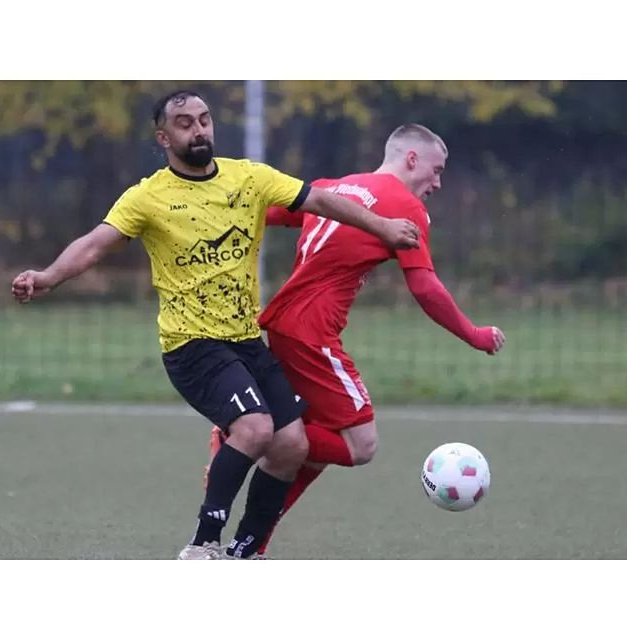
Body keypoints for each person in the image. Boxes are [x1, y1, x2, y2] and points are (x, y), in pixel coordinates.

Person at [10, 91, 421, 560]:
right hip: (192, 346)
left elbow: (321, 200)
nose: (199, 129)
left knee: (292, 444)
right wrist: (47, 277)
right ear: (164, 138)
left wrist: (382, 227)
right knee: (256, 428)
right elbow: (94, 244)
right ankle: (201, 544)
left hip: (244, 340)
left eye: (204, 119)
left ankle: (245, 552)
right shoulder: (148, 197)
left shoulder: (249, 178)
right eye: (185, 123)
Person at [204, 123, 505, 557]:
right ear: (411, 159)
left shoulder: (333, 188)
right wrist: (475, 335)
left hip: (286, 326)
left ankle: (248, 548)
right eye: (437, 170)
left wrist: (208, 211)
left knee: (314, 446)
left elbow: (264, 213)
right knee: (359, 445)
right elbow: (426, 288)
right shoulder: (405, 206)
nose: (438, 183)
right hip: (312, 335)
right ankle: (243, 435)